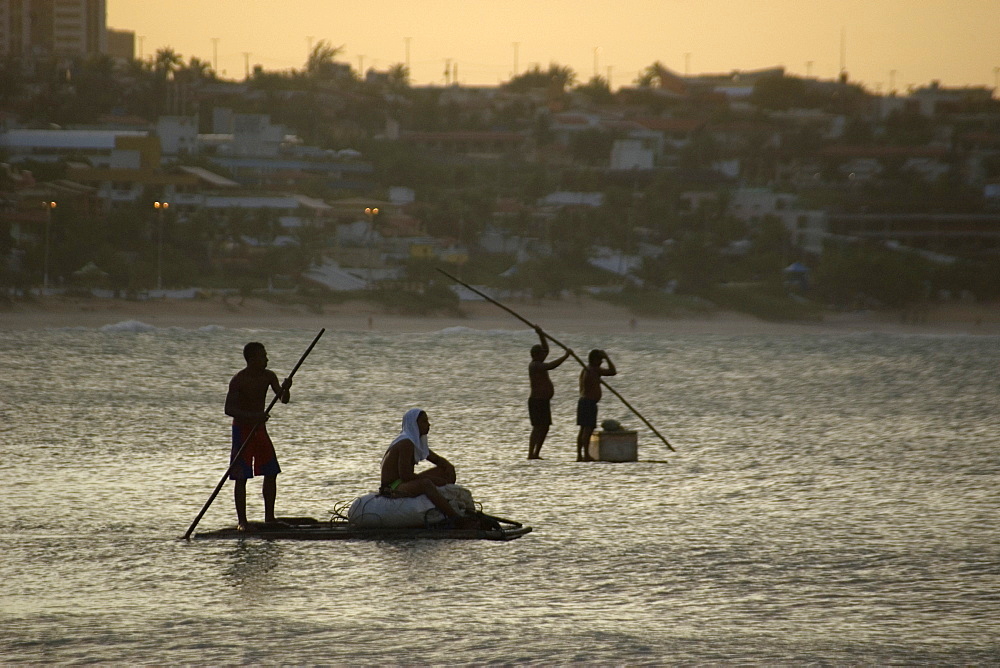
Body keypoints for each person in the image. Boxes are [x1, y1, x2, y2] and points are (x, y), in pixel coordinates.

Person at [224, 341, 291, 529]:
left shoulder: (269, 376)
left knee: (271, 471)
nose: (267, 359)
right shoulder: (239, 380)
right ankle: (242, 522)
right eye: (263, 356)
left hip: (259, 430)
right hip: (243, 431)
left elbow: (283, 399)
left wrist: (286, 388)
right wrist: (254, 416)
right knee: (241, 476)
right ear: (252, 359)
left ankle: (270, 517)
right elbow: (229, 409)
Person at [380, 408, 468, 522]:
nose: (428, 425)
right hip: (392, 487)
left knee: (444, 470)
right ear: (414, 424)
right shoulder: (406, 443)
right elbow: (405, 476)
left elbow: (436, 459)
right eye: (424, 422)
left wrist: (448, 467)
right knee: (426, 484)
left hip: (403, 482)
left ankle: (446, 502)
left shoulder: (417, 441)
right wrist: (434, 480)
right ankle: (454, 517)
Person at [527, 325, 571, 459]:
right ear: (536, 355)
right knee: (537, 427)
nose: (543, 354)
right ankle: (531, 453)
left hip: (543, 401)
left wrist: (541, 334)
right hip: (536, 401)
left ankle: (537, 453)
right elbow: (551, 366)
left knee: (545, 427)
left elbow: (546, 349)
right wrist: (566, 356)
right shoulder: (535, 365)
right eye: (541, 353)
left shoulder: (539, 361)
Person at [576, 349, 617, 462]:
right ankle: (585, 455)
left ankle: (580, 455)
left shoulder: (586, 370)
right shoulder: (593, 370)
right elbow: (613, 371)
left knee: (583, 429)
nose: (601, 362)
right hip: (588, 402)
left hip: (584, 401)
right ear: (594, 360)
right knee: (587, 430)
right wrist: (607, 357)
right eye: (600, 360)